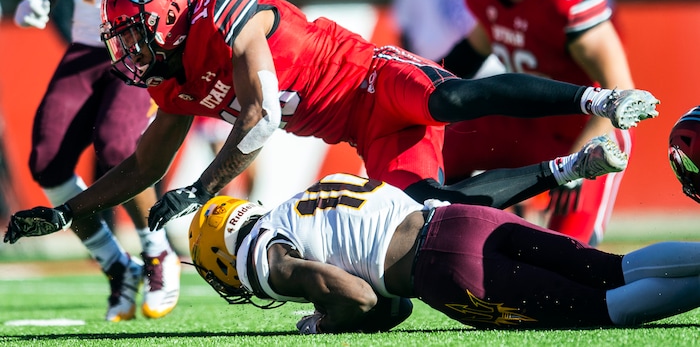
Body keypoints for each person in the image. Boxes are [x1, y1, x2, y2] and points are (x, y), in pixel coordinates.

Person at [2, 0, 658, 250]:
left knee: (451, 97)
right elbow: (143, 167)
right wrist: (66, 210)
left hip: (370, 77)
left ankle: (598, 96)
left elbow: (260, 118)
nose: (131, 49)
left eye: (138, 32)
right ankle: (566, 172)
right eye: (125, 38)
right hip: (354, 129)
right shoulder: (170, 84)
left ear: (172, 14)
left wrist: (202, 188)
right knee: (432, 214)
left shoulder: (224, 12)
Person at [12, 0, 216, 321]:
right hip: (88, 43)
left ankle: (155, 251)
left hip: (146, 47)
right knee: (47, 161)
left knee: (118, 145)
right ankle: (114, 264)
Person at [191, 174, 700, 332]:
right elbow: (390, 307)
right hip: (462, 219)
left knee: (599, 310)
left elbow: (362, 297)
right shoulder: (298, 203)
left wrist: (325, 323)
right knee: (612, 269)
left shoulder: (263, 256)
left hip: (444, 268)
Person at [441, 0, 639, 246]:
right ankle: (422, 227)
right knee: (440, 142)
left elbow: (620, 93)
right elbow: (468, 55)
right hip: (525, 122)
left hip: (586, 129)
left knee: (570, 252)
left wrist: (579, 162)